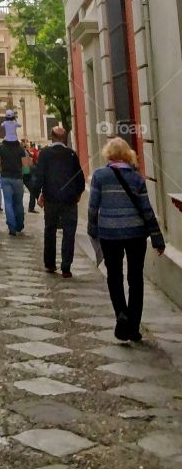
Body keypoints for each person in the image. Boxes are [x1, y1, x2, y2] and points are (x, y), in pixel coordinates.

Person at [88, 137, 165, 342]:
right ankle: (133, 326)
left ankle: (121, 315)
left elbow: (93, 205)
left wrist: (92, 229)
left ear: (108, 154)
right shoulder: (136, 178)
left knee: (114, 276)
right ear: (127, 154)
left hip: (109, 233)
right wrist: (157, 238)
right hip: (135, 233)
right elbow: (147, 209)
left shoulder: (100, 176)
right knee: (135, 278)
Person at [29, 125, 85, 277]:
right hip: (69, 200)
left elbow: (38, 176)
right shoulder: (72, 154)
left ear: (51, 137)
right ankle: (66, 267)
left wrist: (37, 195)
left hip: (51, 198)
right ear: (64, 138)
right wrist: (78, 193)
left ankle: (50, 264)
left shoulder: (45, 154)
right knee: (69, 232)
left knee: (50, 230)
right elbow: (80, 178)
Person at [0, 130, 29, 236]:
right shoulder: (20, 149)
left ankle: (11, 227)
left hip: (5, 178)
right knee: (18, 202)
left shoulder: (1, 148)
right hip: (18, 178)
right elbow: (26, 168)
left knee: (8, 202)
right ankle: (19, 224)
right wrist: (23, 172)